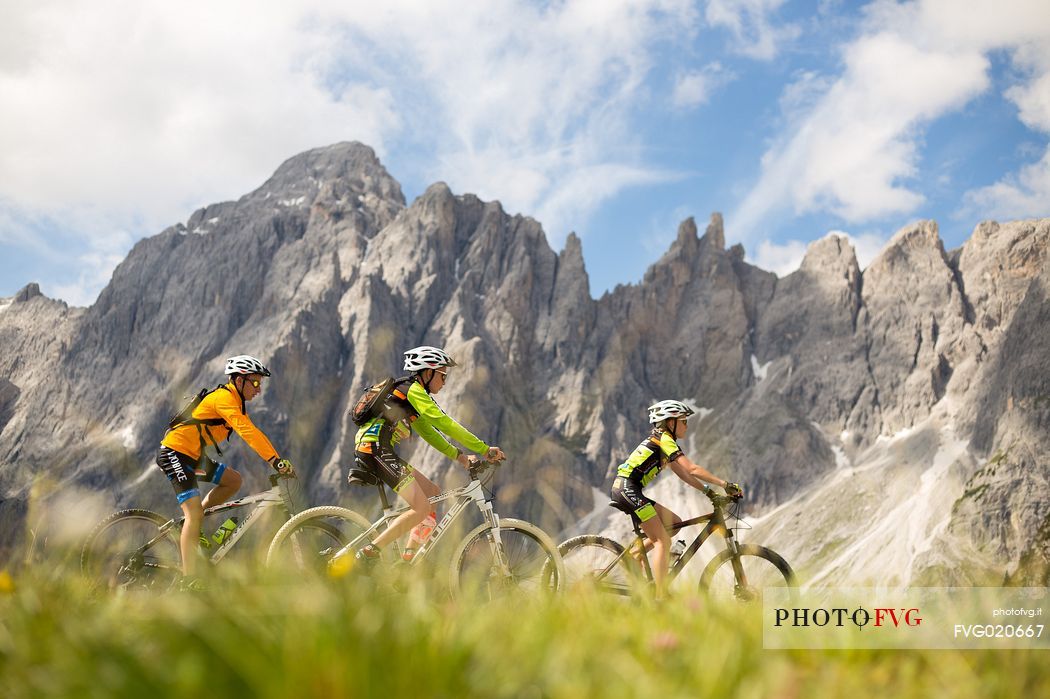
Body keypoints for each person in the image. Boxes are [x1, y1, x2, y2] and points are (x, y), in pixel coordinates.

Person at [352, 345, 504, 566]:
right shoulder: (412, 390)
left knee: (432, 494)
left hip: (380, 450)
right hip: (373, 449)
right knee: (421, 507)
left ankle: (406, 561)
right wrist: (483, 449)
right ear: (427, 372)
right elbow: (444, 423)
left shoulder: (409, 397)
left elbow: (429, 433)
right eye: (442, 375)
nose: (444, 382)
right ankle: (368, 552)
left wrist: (461, 458)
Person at [156, 354, 294, 579]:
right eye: (255, 382)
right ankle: (189, 579)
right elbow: (247, 432)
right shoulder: (224, 398)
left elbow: (254, 431)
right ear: (239, 380)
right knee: (192, 515)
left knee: (234, 481)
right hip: (175, 453)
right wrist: (275, 461)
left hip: (192, 455)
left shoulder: (236, 402)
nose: (258, 389)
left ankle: (196, 525)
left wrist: (277, 458)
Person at [610, 400, 741, 599]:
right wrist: (725, 484)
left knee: (675, 523)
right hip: (627, 489)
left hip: (630, 489)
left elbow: (683, 474)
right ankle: (661, 597)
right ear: (670, 422)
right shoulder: (664, 440)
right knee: (662, 540)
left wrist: (708, 491)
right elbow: (692, 468)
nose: (687, 425)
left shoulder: (662, 442)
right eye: (684, 421)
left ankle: (635, 555)